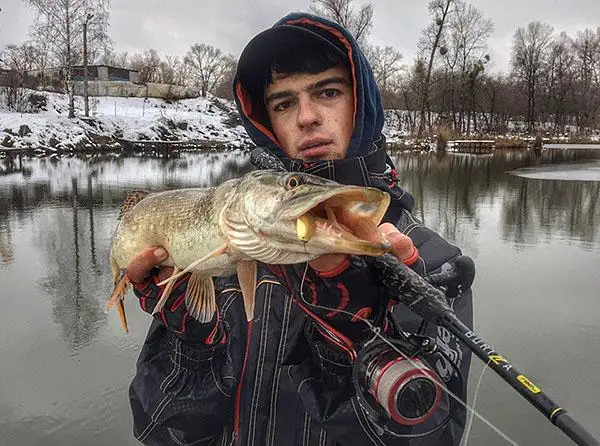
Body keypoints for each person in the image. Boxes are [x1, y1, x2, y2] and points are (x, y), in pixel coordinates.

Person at [126, 12, 474, 446]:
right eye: (284, 103)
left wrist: (351, 332)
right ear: (267, 122)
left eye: (327, 92)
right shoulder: (228, 246)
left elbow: (430, 437)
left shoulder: (432, 264)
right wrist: (191, 341)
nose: (306, 117)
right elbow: (162, 430)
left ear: (361, 104)